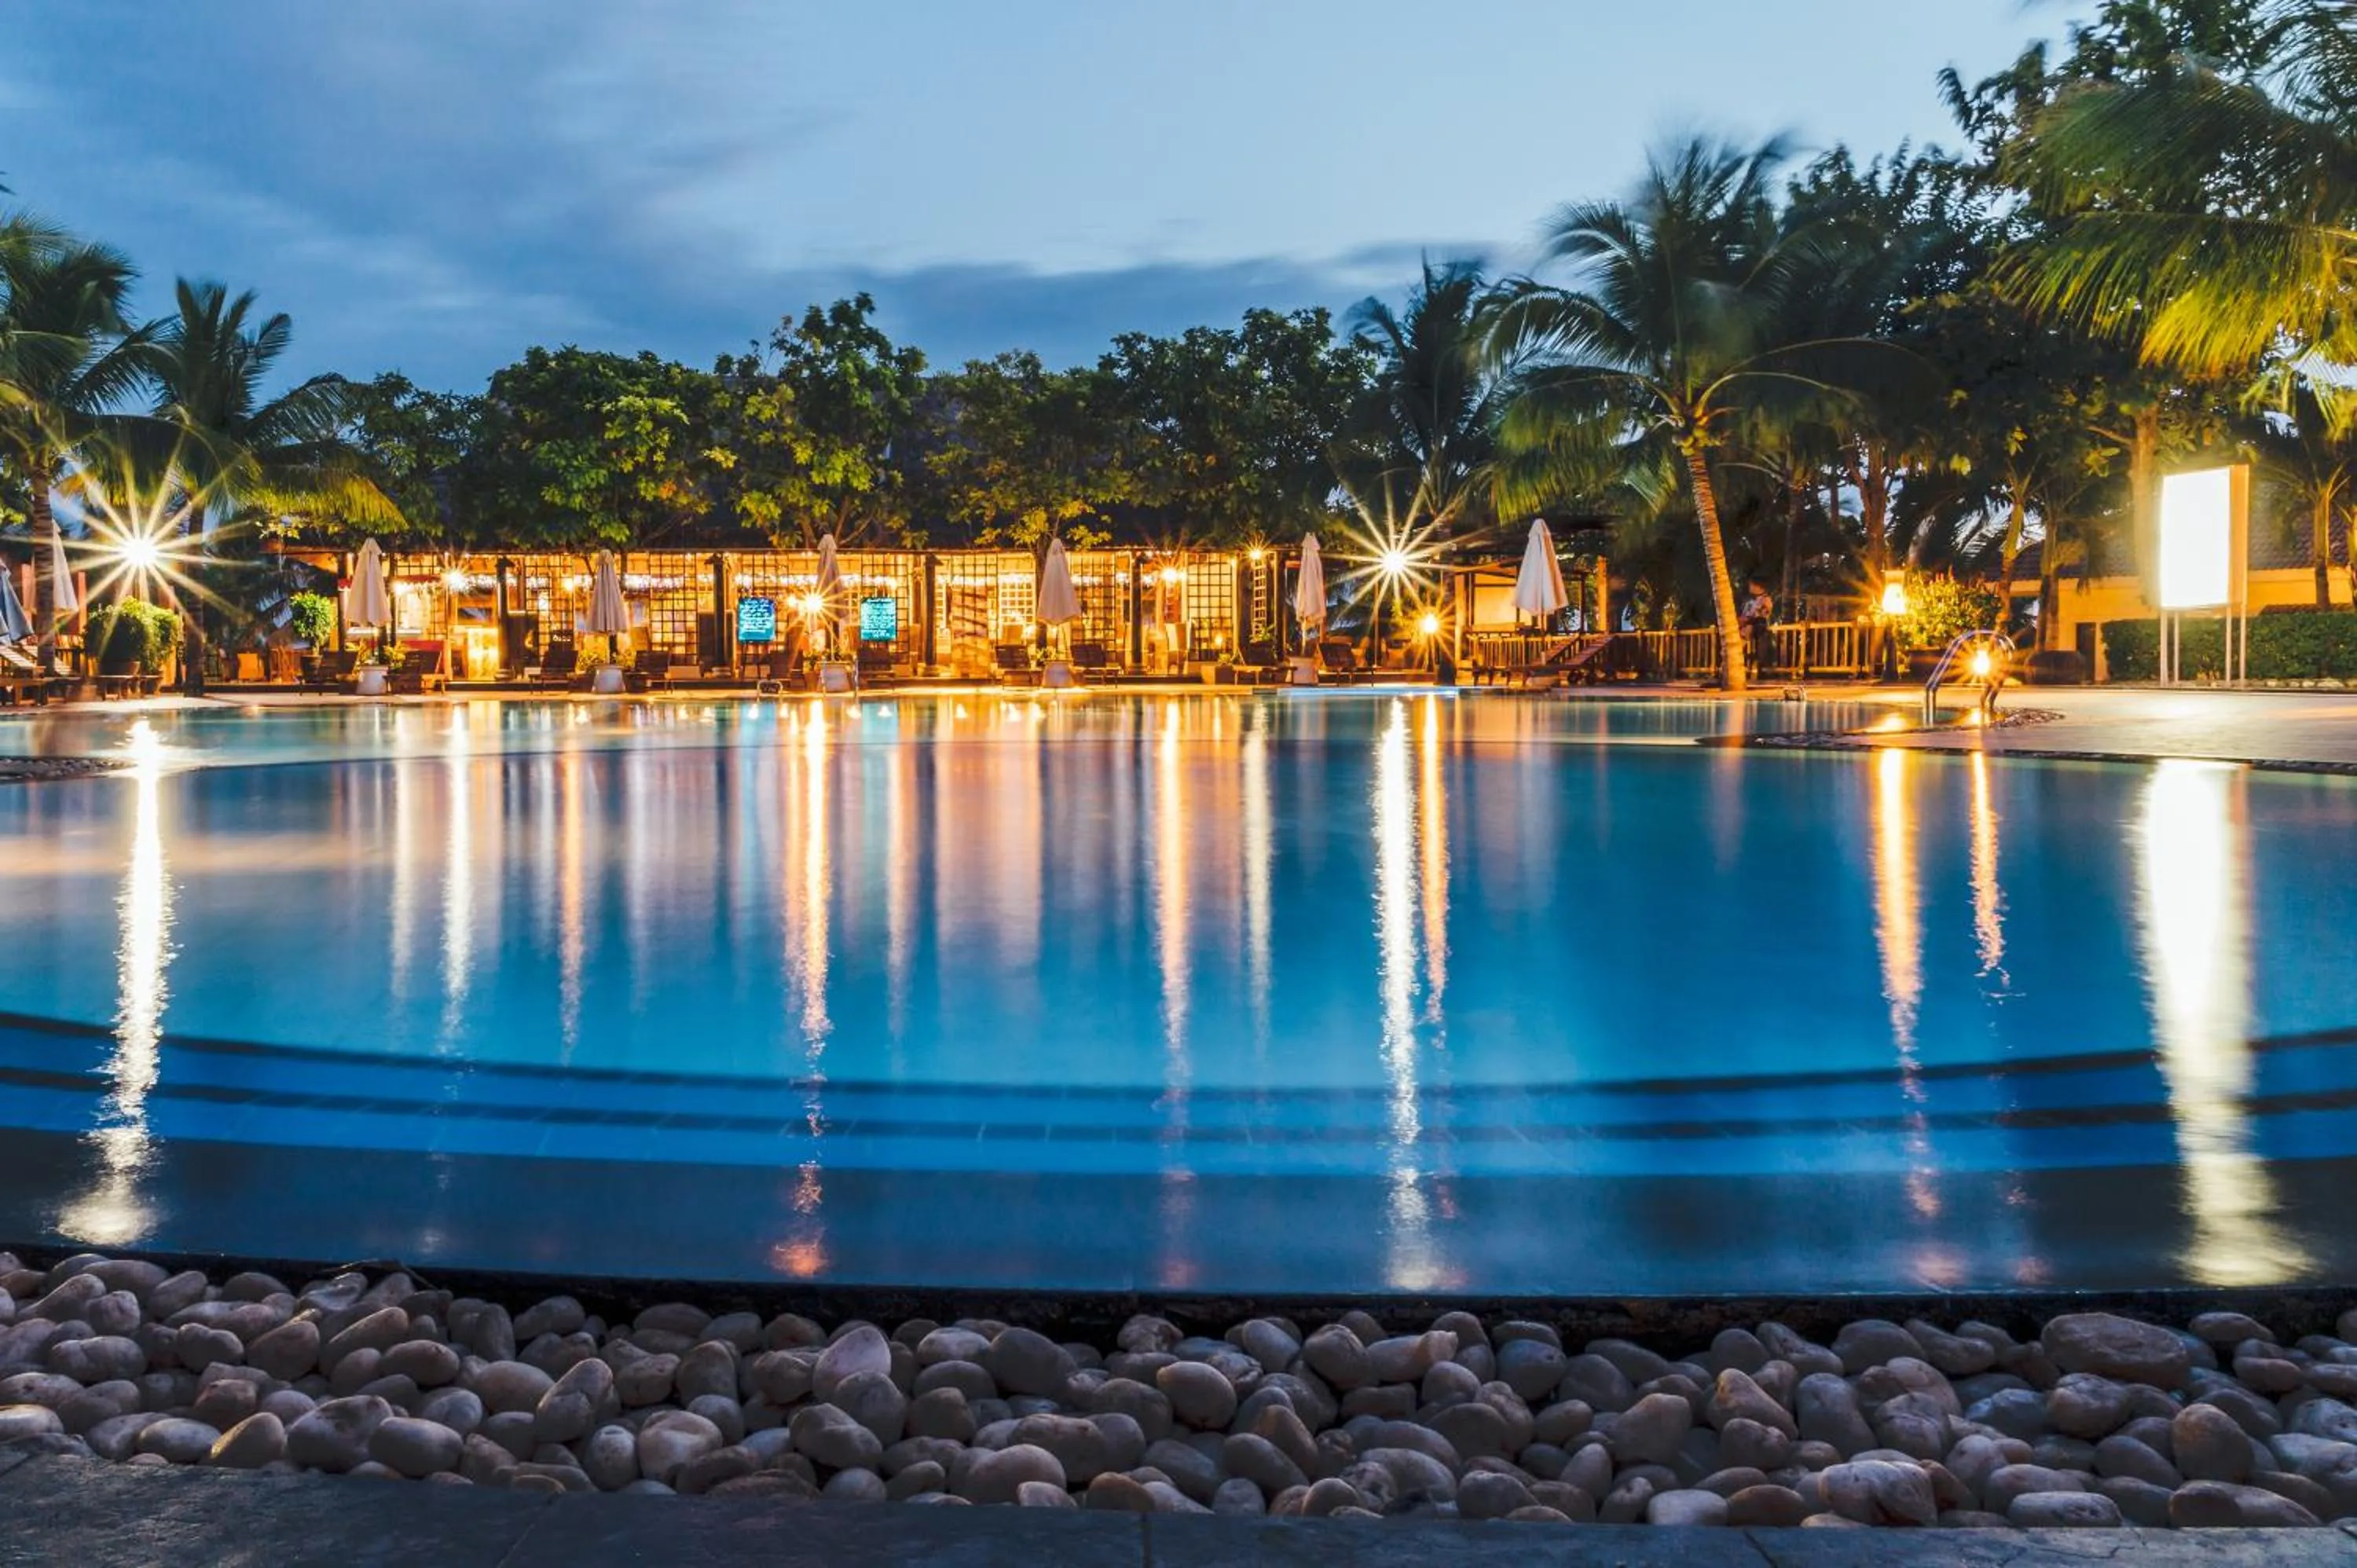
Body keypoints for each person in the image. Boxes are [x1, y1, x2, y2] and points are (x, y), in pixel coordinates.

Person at [1739, 580, 1775, 673]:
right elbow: (1745, 614)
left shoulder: (1765, 599)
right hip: (1747, 626)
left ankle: (1759, 667)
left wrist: (1752, 617)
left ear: (1759, 587)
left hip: (1758, 626)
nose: (1750, 588)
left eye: (1752, 585)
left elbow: (1764, 614)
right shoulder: (1750, 601)